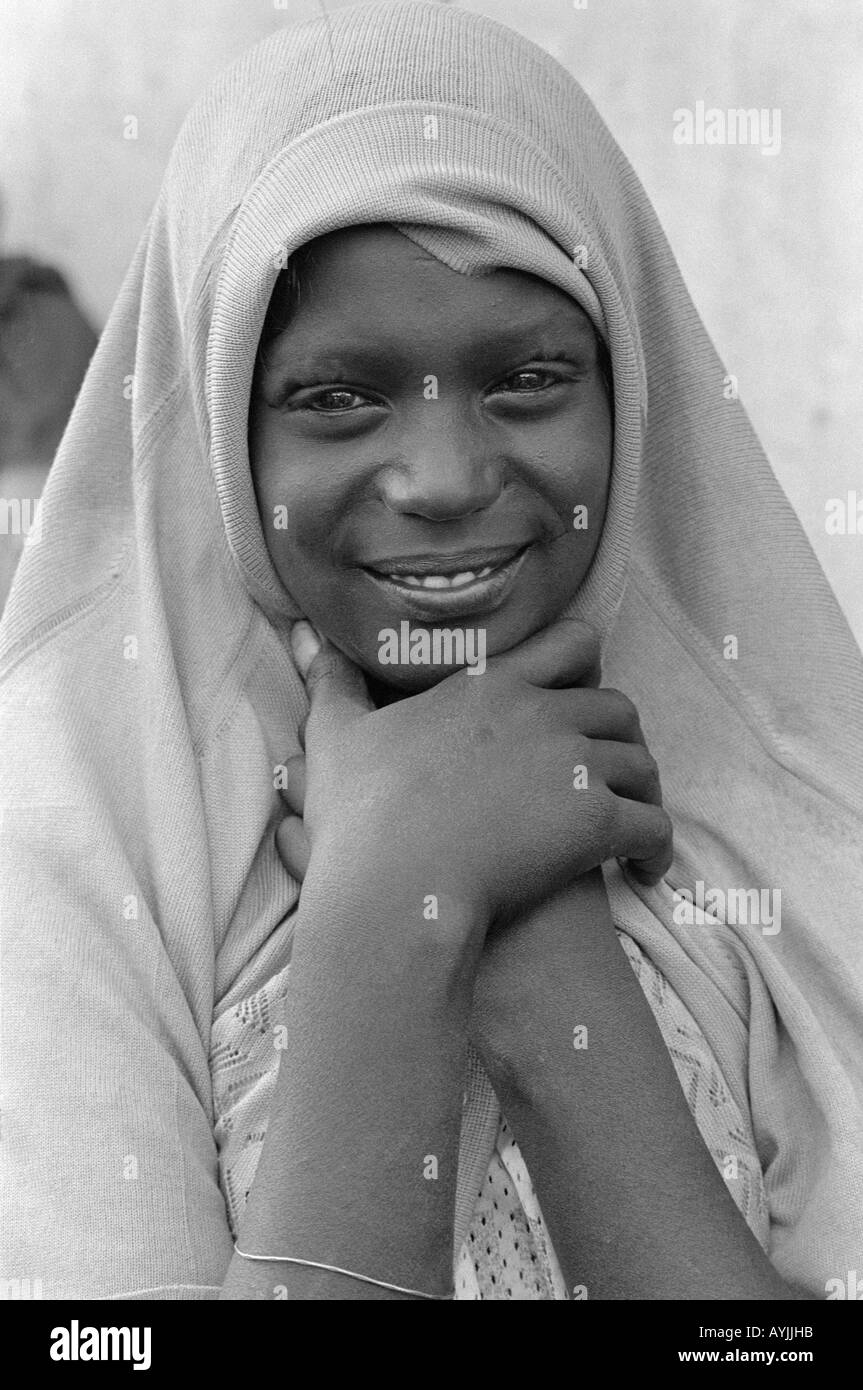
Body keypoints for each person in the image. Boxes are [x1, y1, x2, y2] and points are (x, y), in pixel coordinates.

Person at [1, 0, 861, 1301]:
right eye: (336, 395)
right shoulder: (75, 856)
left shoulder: (788, 826)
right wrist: (395, 914)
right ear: (225, 427)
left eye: (526, 378)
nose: (446, 477)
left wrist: (558, 982)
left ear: (630, 382)